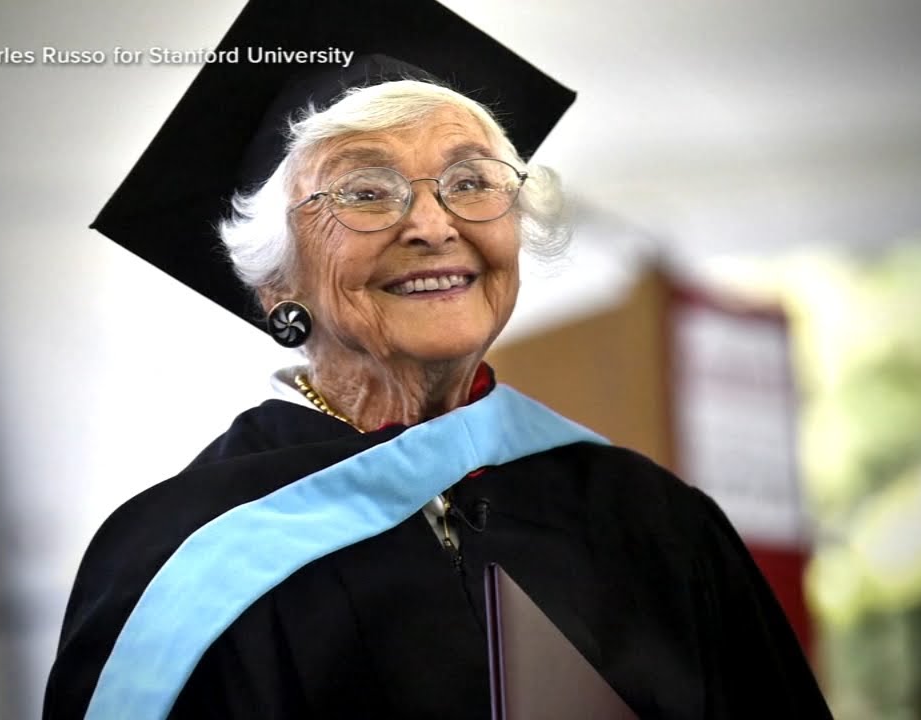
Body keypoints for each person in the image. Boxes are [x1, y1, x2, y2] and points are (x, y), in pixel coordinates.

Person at [44, 0, 833, 718]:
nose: (433, 223)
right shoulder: (183, 553)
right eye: (365, 192)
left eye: (469, 181)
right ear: (275, 279)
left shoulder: (653, 523)